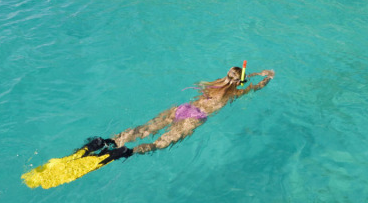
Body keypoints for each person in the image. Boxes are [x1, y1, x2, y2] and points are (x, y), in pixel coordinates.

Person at [110, 65, 275, 154]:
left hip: (185, 108)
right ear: (239, 82)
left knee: (145, 129)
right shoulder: (233, 94)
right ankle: (130, 151)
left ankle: (112, 141)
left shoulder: (215, 83)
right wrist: (266, 77)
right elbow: (255, 87)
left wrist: (254, 73)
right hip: (195, 117)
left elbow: (236, 79)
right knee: (160, 143)